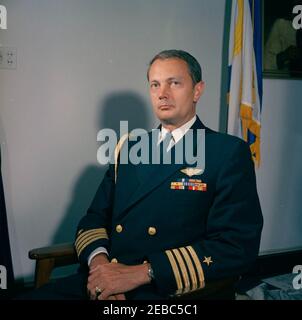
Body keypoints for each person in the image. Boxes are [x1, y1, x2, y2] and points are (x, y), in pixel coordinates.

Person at [22, 49, 263, 300]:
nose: (163, 94)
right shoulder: (129, 148)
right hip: (104, 279)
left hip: (167, 289)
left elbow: (236, 246)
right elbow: (93, 220)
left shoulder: (225, 151)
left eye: (175, 83)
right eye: (155, 85)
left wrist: (139, 274)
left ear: (197, 90)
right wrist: (101, 267)